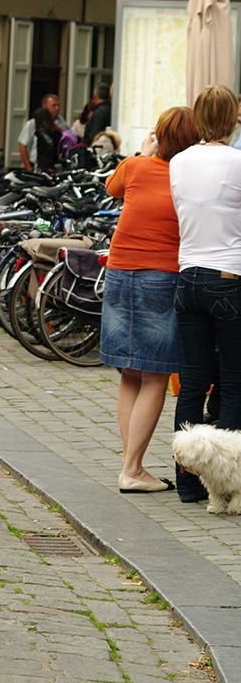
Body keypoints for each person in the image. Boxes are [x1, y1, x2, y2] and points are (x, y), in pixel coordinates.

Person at [100, 107, 199, 494]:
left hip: (119, 272)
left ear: (158, 136)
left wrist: (141, 153)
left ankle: (133, 464)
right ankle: (131, 468)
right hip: (160, 276)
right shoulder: (186, 178)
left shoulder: (136, 167)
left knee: (129, 372)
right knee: (155, 373)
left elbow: (112, 188)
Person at [170, 84, 241, 503]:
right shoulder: (236, 162)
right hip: (229, 277)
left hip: (188, 276)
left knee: (193, 382)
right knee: (233, 383)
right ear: (232, 117)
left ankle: (187, 483)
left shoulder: (179, 161)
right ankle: (230, 482)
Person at [18, 94, 67, 170]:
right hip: (37, 165)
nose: (57, 108)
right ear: (44, 106)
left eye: (58, 105)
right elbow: (22, 146)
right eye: (53, 105)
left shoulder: (61, 122)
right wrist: (28, 167)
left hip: (55, 166)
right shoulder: (32, 123)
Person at [33, 106, 61, 172]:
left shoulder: (42, 131)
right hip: (55, 164)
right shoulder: (55, 130)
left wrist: (47, 165)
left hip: (45, 166)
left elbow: (50, 144)